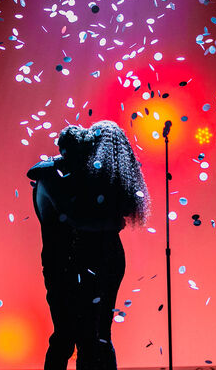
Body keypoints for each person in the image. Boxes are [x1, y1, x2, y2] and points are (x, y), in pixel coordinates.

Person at [27, 120, 150, 370]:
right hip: (69, 264)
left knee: (89, 337)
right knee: (79, 336)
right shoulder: (53, 176)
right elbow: (78, 219)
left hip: (82, 262)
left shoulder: (65, 177)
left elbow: (79, 218)